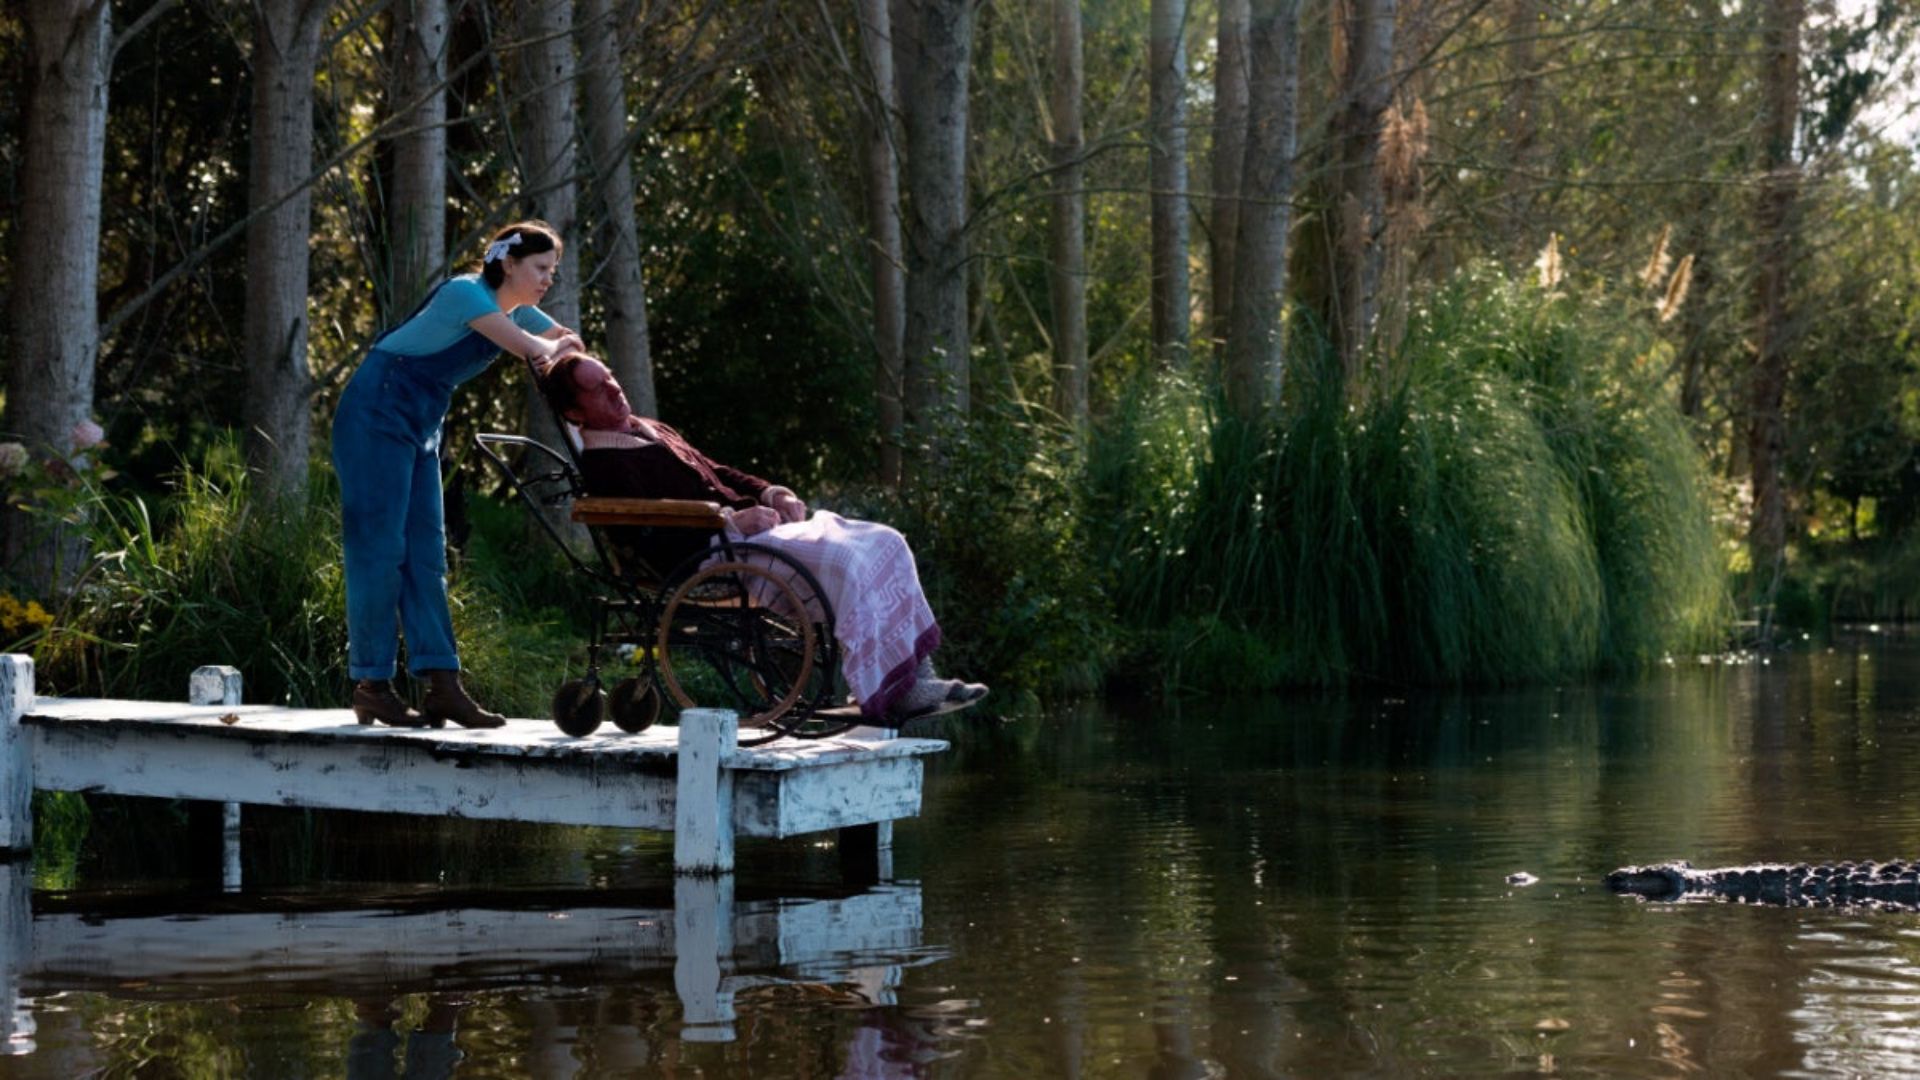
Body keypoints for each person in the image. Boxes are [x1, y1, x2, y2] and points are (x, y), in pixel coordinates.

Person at [536, 352, 987, 722]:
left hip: (748, 537)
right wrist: (729, 523)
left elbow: (718, 471)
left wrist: (770, 491)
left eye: (610, 376)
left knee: (885, 540)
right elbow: (650, 533)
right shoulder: (604, 465)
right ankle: (883, 688)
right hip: (708, 556)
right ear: (574, 412)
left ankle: (915, 679)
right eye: (598, 387)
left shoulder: (649, 428)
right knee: (846, 563)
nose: (614, 387)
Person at [334, 221, 584, 728]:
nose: (546, 280)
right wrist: (553, 347)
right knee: (380, 552)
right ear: (509, 264)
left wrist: (560, 346)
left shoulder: (514, 307)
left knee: (427, 552)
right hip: (375, 413)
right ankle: (372, 685)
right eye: (540, 268)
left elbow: (562, 338)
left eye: (552, 272)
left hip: (422, 422)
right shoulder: (466, 294)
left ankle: (442, 685)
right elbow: (535, 349)